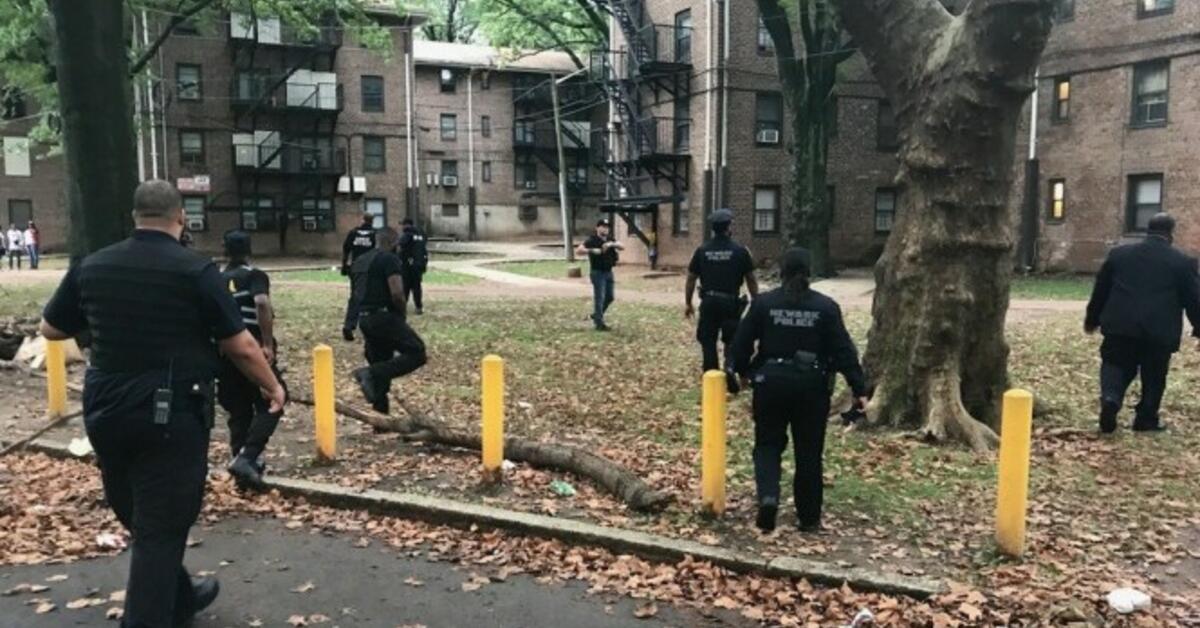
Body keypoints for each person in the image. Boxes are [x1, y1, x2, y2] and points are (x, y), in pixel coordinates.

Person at [39, 180, 286, 627]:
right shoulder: (194, 270)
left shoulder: (93, 266)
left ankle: (181, 595)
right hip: (169, 413)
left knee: (139, 512)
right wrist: (272, 386)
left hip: (106, 408)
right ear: (181, 219)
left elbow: (51, 329)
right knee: (161, 525)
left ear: (135, 217)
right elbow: (241, 345)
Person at [731, 247, 868, 533]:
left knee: (767, 445)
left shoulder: (763, 304)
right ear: (809, 273)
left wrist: (741, 372)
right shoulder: (826, 307)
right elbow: (844, 349)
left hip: (770, 384)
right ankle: (808, 517)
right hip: (812, 387)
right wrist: (859, 387)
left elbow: (742, 343)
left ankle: (769, 497)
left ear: (781, 273)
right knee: (809, 451)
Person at [1085, 213, 1200, 433]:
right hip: (1159, 329)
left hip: (1120, 325)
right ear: (1171, 233)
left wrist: (1092, 318)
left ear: (1148, 229)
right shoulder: (1182, 262)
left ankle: (1111, 397)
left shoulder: (1119, 255)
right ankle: (1146, 419)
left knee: (1114, 364)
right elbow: (1194, 299)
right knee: (1155, 374)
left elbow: (1101, 289)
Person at [217, 230, 286, 490]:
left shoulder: (217, 279)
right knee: (275, 399)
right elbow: (261, 303)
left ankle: (244, 475)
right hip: (251, 347)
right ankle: (247, 457)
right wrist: (267, 343)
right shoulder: (254, 275)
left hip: (224, 352)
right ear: (249, 251)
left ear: (225, 251)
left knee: (239, 410)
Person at [350, 227, 427, 414]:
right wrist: (401, 315)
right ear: (393, 243)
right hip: (384, 316)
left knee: (381, 362)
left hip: (364, 317)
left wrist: (350, 322)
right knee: (417, 352)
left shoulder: (360, 261)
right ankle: (368, 373)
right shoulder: (390, 259)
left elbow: (355, 294)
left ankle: (380, 418)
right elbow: (397, 293)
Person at [685, 209, 759, 393]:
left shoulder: (702, 250)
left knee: (707, 340)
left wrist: (688, 303)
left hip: (709, 301)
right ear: (729, 227)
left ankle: (712, 377)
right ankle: (729, 367)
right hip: (731, 302)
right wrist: (756, 300)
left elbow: (691, 278)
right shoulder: (740, 251)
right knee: (732, 340)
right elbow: (751, 278)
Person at [575, 219, 623, 331]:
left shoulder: (610, 239)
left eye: (607, 227)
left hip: (609, 272)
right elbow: (579, 250)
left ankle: (596, 315)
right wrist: (592, 251)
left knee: (610, 297)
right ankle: (599, 324)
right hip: (597, 273)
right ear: (597, 228)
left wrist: (611, 244)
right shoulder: (592, 240)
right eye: (602, 226)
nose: (605, 229)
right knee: (599, 297)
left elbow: (622, 246)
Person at [341, 212, 377, 341]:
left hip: (356, 267)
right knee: (371, 297)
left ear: (362, 220)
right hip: (371, 268)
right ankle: (361, 325)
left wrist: (344, 265)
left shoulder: (353, 233)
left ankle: (350, 324)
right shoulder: (374, 234)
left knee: (355, 296)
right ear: (372, 221)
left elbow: (346, 249)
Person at [398, 218, 429, 315]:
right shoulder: (421, 234)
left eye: (403, 225)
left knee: (406, 286)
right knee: (417, 287)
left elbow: (401, 246)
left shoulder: (407, 235)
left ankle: (402, 307)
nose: (402, 227)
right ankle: (418, 307)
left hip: (408, 265)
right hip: (419, 264)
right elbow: (423, 249)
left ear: (406, 225)